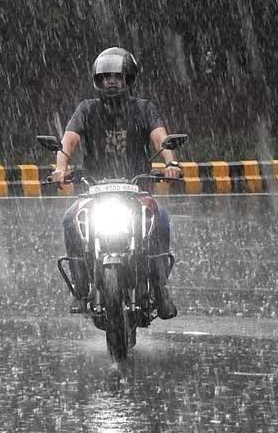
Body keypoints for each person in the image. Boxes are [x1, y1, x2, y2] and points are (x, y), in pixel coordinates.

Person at [49, 47, 182, 319]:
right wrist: (60, 168)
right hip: (94, 191)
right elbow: (69, 141)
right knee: (69, 219)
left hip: (137, 190)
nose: (111, 81)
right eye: (106, 76)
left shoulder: (143, 109)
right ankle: (81, 289)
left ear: (128, 79)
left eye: (117, 76)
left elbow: (160, 138)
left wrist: (171, 163)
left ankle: (159, 287)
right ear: (98, 80)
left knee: (162, 217)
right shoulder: (87, 109)